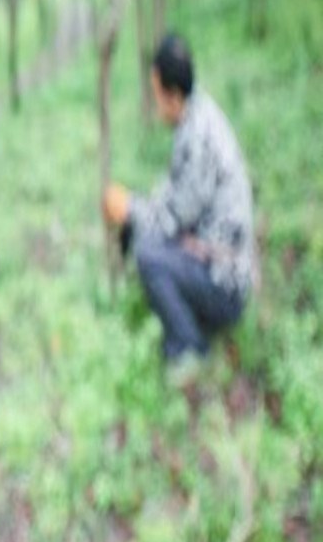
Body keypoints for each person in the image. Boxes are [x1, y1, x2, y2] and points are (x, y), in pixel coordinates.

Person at [103, 34, 255, 383]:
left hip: (227, 283)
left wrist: (128, 208)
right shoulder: (197, 114)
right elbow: (175, 196)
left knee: (148, 254)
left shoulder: (198, 137)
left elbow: (170, 221)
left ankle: (189, 347)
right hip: (215, 256)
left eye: (156, 94)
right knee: (148, 239)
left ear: (172, 94)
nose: (155, 104)